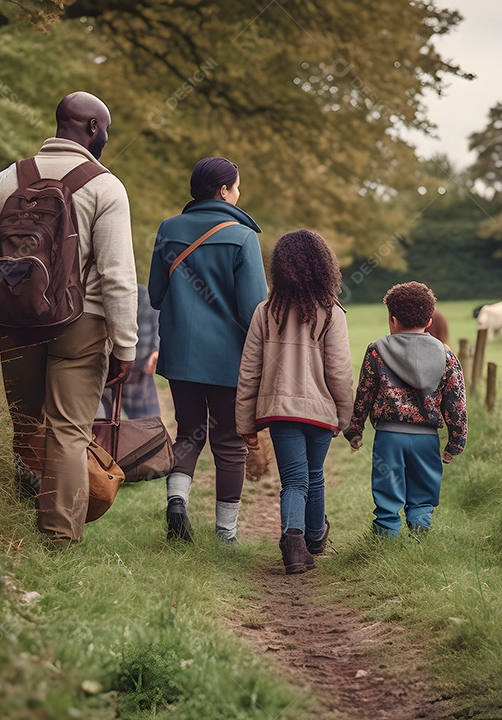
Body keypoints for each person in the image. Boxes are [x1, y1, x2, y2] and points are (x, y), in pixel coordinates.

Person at [0, 91, 138, 548]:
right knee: (68, 432)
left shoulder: (6, 180)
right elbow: (117, 274)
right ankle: (58, 537)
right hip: (82, 323)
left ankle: (14, 519)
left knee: (26, 425)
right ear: (94, 130)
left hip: (14, 322)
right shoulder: (105, 186)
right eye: (106, 129)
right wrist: (125, 345)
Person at [148, 157, 267, 544]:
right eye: (237, 186)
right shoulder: (242, 236)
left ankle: (177, 502)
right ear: (223, 191)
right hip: (228, 361)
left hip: (180, 357)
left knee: (188, 434)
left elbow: (154, 295)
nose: (239, 193)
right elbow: (254, 311)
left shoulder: (169, 229)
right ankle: (225, 534)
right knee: (230, 444)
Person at [236, 229, 353, 574]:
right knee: (313, 475)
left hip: (279, 412)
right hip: (319, 411)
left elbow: (249, 372)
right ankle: (314, 538)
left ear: (281, 268)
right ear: (324, 267)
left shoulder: (265, 312)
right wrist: (342, 416)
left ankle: (296, 544)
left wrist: (246, 423)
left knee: (294, 480)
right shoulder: (332, 314)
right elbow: (339, 372)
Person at [344, 282, 467, 537]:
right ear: (430, 320)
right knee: (423, 494)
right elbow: (456, 402)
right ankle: (420, 539)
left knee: (387, 493)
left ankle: (385, 541)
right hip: (427, 440)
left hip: (389, 437)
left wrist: (355, 430)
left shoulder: (376, 351)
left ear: (392, 319)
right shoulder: (447, 356)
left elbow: (364, 393)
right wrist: (456, 441)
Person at [99, 284, 161, 420]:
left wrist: (156, 350)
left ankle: (148, 439)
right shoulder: (100, 293)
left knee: (146, 421)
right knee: (103, 419)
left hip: (140, 365)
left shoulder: (145, 293)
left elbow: (158, 321)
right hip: (108, 365)